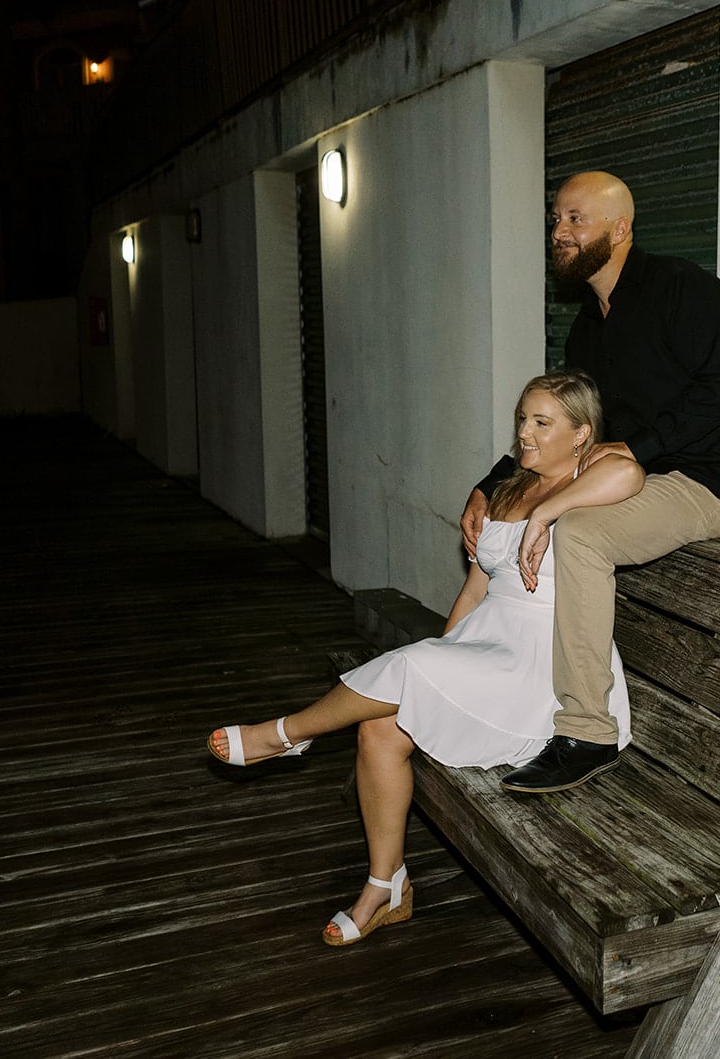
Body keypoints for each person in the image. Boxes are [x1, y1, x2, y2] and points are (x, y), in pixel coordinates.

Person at [207, 371, 644, 947]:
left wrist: (549, 513)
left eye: (542, 423)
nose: (525, 433)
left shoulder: (589, 476)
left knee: (409, 670)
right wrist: (446, 650)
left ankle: (285, 734)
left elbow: (632, 472)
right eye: (522, 418)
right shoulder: (510, 486)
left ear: (582, 434)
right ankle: (386, 886)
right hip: (491, 642)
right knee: (380, 726)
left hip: (546, 664)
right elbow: (474, 590)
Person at [460, 171, 720, 795]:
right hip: (628, 480)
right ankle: (498, 689)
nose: (560, 233)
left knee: (582, 533)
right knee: (542, 515)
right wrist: (490, 485)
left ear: (619, 229)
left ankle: (587, 730)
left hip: (705, 480)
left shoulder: (685, 289)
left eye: (576, 219)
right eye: (556, 221)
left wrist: (639, 447)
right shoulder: (586, 329)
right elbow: (559, 427)